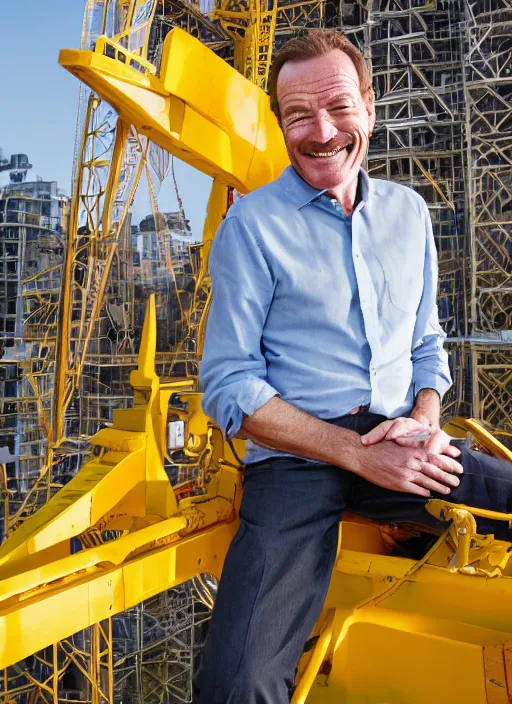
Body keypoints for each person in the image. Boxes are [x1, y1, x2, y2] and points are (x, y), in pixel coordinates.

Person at [195, 29, 512, 704]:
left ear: (369, 106)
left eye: (339, 106)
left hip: (400, 438)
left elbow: (428, 345)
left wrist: (424, 419)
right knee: (237, 681)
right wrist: (353, 454)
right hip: (294, 461)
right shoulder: (250, 227)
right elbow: (228, 383)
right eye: (298, 115)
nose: (322, 131)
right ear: (281, 122)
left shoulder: (409, 213)